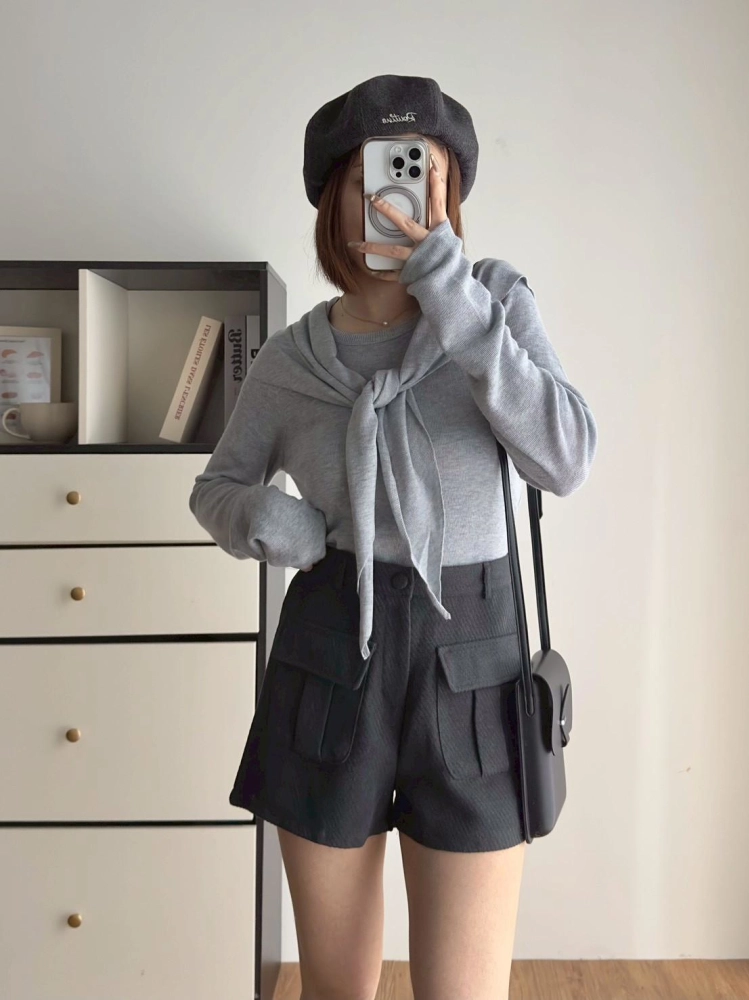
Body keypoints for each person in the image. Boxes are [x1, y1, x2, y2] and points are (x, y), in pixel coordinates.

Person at [189, 74, 598, 1000]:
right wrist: (269, 522)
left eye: (422, 173)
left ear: (451, 194)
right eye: (370, 176)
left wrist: (449, 293)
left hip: (476, 656)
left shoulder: (492, 304)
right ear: (332, 198)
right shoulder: (291, 359)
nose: (397, 196)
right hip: (330, 647)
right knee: (336, 989)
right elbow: (217, 488)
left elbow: (565, 457)